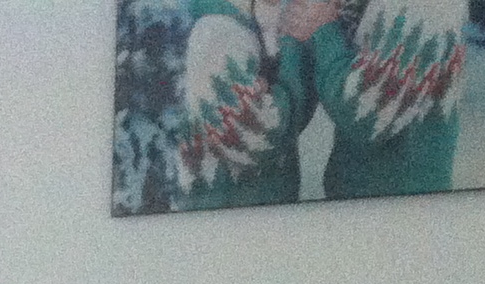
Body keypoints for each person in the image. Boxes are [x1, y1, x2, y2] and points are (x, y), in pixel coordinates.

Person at [176, 0, 462, 210]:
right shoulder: (218, 31)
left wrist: (318, 31)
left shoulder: (423, 7)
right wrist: (302, 37)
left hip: (405, 211)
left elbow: (364, 112)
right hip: (227, 228)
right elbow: (259, 131)